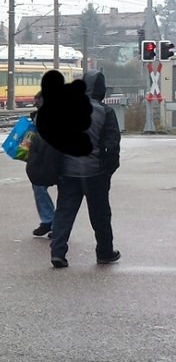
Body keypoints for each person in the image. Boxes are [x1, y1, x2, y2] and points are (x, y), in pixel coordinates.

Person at [49, 69, 121, 268]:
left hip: (67, 171)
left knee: (64, 212)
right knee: (100, 214)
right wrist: (109, 169)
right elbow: (112, 144)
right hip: (95, 171)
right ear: (101, 89)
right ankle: (105, 252)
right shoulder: (105, 111)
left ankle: (58, 252)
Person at [29, 91, 54, 238]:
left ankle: (54, 223)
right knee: (38, 186)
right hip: (43, 158)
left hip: (56, 158)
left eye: (36, 100)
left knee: (65, 193)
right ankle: (49, 220)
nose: (34, 103)